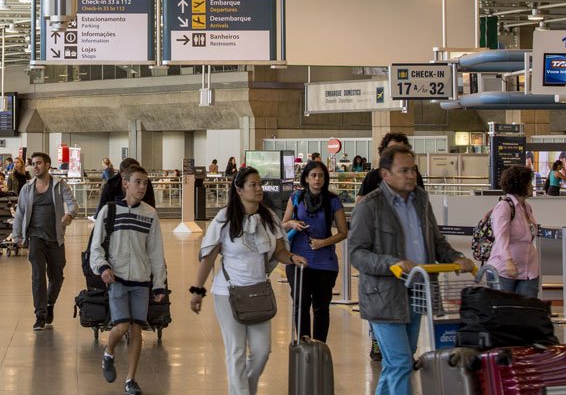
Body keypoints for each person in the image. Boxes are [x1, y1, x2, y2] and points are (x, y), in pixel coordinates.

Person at [349, 146, 474, 395]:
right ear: (386, 174)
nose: (411, 176)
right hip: (383, 296)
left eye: (413, 170)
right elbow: (357, 253)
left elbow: (435, 241)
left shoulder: (421, 200)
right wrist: (391, 263)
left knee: (397, 363)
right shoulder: (370, 206)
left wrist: (456, 257)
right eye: (404, 171)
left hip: (417, 293)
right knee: (401, 362)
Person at [191, 167, 306, 395]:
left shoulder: (269, 218)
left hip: (258, 292)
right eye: (253, 184)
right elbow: (209, 257)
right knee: (236, 351)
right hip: (228, 293)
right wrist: (197, 290)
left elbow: (279, 251)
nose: (258, 188)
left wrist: (292, 258)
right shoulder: (224, 218)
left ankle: (246, 389)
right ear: (239, 189)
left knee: (262, 351)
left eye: (259, 184)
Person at [91, 166, 167, 395]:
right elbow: (96, 246)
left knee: (136, 330)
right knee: (122, 325)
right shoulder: (109, 211)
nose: (142, 187)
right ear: (125, 183)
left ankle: (130, 379)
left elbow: (156, 252)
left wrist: (159, 283)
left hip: (141, 280)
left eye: (145, 183)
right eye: (137, 182)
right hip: (118, 278)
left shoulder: (150, 214)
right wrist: (103, 267)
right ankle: (109, 352)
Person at [12, 151, 80, 331]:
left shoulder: (59, 185)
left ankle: (50, 303)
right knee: (38, 275)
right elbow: (20, 212)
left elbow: (73, 204)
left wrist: (69, 215)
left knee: (57, 276)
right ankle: (40, 315)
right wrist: (17, 235)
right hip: (35, 237)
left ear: (48, 165)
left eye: (39, 163)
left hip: (55, 237)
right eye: (33, 163)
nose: (35, 166)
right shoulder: (27, 188)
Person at [281, 161, 348, 341]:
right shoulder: (296, 197)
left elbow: (343, 232)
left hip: (325, 263)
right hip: (297, 260)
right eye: (313, 175)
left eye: (321, 175)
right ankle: (304, 345)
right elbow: (282, 225)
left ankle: (319, 346)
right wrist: (292, 223)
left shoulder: (333, 201)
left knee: (321, 308)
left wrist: (323, 242)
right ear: (306, 178)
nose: (317, 179)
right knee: (300, 304)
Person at [487, 165, 540, 297]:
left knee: (527, 308)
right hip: (504, 270)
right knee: (504, 308)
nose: (532, 186)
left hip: (529, 271)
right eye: (529, 183)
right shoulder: (504, 206)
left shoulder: (527, 207)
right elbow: (501, 236)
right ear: (520, 185)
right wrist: (508, 261)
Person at [356, 133, 425, 203]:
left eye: (401, 151)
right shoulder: (372, 177)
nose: (397, 154)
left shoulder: (414, 175)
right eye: (392, 150)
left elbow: (422, 202)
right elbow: (359, 203)